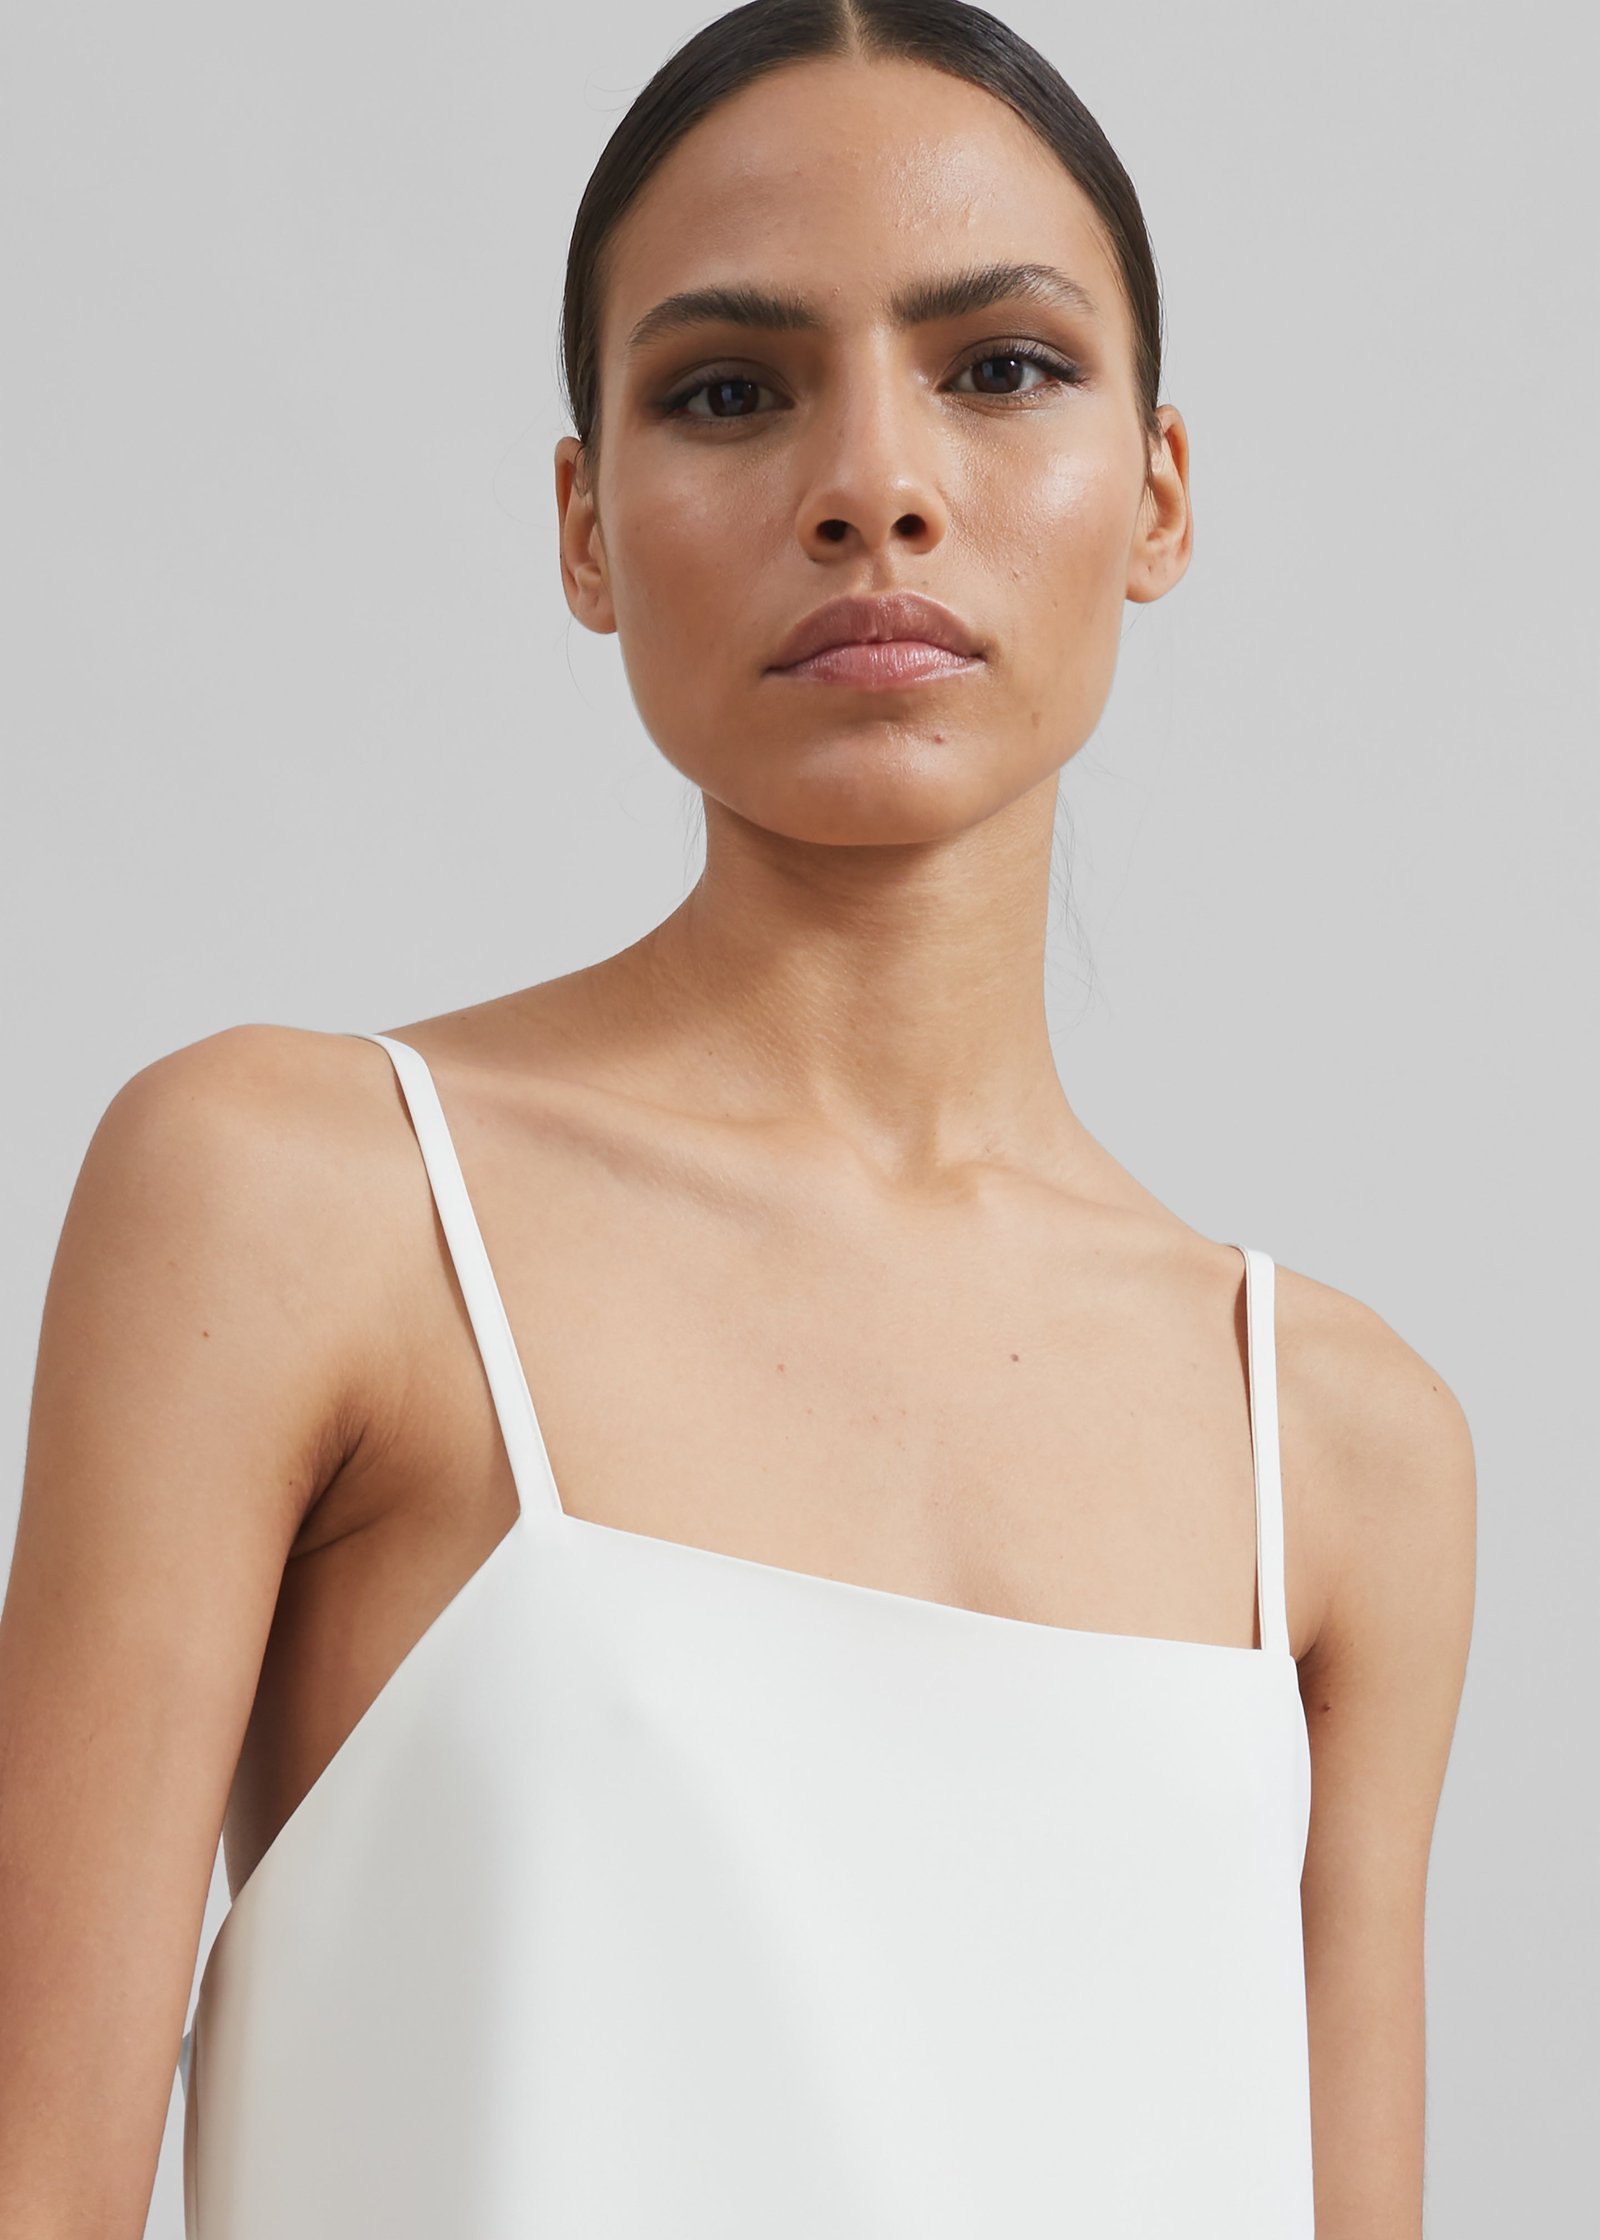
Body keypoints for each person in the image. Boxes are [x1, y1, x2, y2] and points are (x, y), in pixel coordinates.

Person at [0, 2, 1476, 2233]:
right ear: (585, 528)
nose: (873, 482)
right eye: (726, 391)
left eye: (999, 367)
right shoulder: (301, 1206)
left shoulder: (1340, 1449)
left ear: (1157, 493)